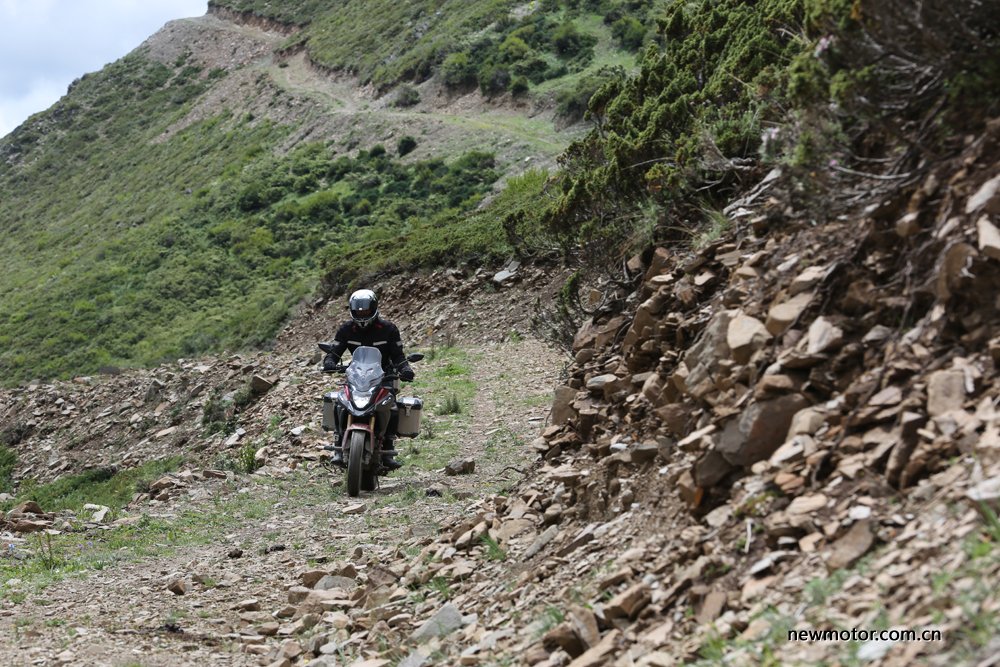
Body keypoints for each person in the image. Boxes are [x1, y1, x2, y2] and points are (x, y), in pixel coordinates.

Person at [323, 289, 414, 470]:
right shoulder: (346, 329)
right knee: (340, 403)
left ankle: (388, 450)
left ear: (374, 308)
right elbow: (335, 350)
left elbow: (398, 355)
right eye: (358, 311)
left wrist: (405, 369)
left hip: (384, 375)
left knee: (392, 407)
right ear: (352, 310)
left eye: (365, 310)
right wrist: (330, 362)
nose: (362, 313)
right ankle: (338, 446)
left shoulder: (388, 329)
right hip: (357, 375)